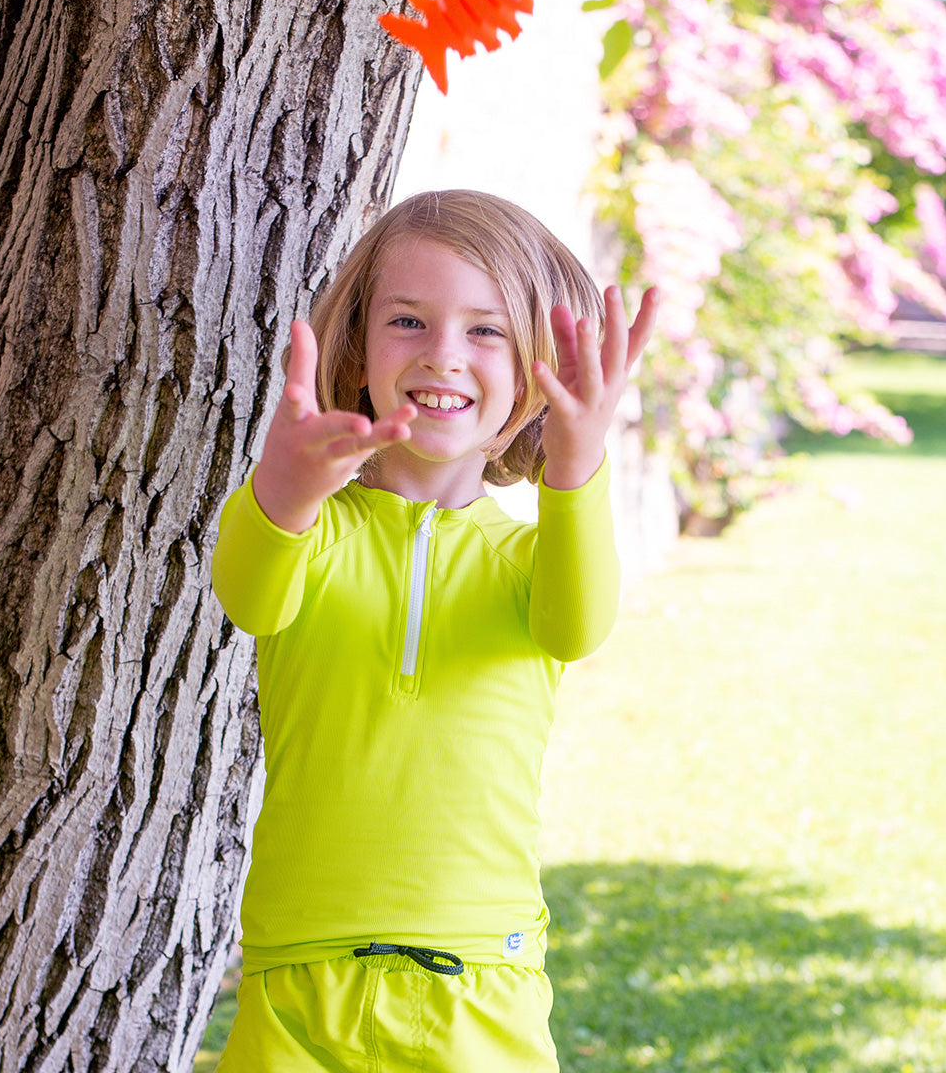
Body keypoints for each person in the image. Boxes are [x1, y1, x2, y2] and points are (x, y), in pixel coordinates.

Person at [210, 189, 658, 1071]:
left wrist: (577, 461)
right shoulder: (313, 530)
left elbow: (576, 627)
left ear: (540, 370)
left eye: (485, 332)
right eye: (408, 321)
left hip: (481, 984)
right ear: (358, 347)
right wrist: (287, 489)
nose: (443, 355)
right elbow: (251, 597)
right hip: (297, 984)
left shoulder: (532, 561)